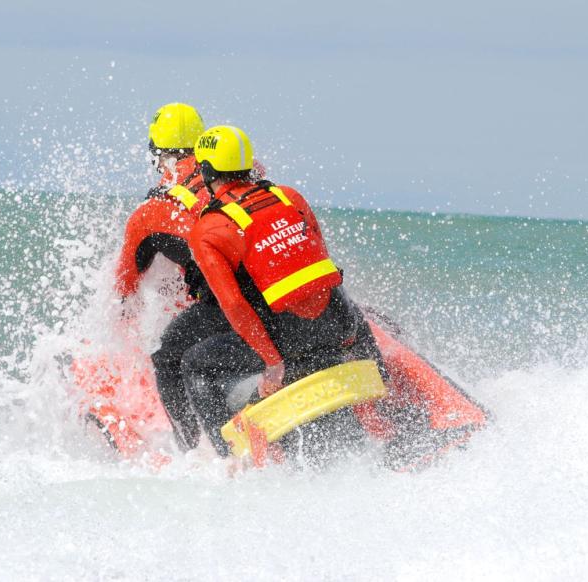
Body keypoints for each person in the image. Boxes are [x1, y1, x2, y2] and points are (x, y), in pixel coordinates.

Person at [183, 125, 386, 456]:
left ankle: (228, 458)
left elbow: (233, 305)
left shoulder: (209, 229)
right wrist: (348, 339)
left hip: (288, 343)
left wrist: (272, 361)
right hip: (340, 325)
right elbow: (322, 266)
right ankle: (383, 404)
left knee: (194, 364)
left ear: (206, 172)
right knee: (350, 311)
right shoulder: (290, 197)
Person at [112, 103, 232, 450]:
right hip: (284, 292)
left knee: (167, 356)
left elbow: (125, 286)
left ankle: (192, 447)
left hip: (233, 308)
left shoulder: (151, 214)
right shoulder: (247, 172)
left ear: (157, 157)